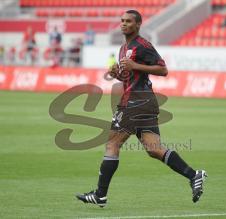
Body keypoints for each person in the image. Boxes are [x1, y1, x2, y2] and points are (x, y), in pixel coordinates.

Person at [76, 10, 207, 207]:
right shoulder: (123, 48)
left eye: (128, 21)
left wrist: (135, 65)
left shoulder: (143, 45)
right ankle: (193, 175)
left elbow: (163, 69)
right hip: (143, 101)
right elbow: (129, 75)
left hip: (135, 102)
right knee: (154, 149)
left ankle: (100, 195)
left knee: (112, 144)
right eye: (122, 21)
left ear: (138, 25)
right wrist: (117, 73)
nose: (123, 24)